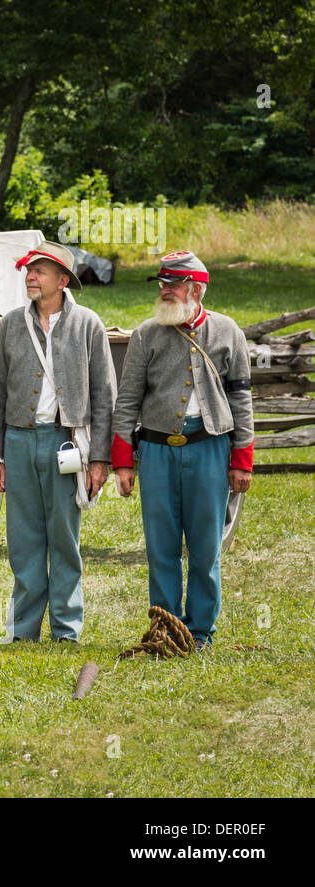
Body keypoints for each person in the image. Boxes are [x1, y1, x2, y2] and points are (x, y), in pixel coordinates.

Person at [111, 250, 253, 650]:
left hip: (210, 448)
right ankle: (166, 626)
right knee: (161, 546)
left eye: (172, 285)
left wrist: (241, 459)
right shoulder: (145, 334)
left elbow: (241, 400)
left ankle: (201, 632)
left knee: (206, 548)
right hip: (157, 451)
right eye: (163, 285)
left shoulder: (228, 332)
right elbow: (127, 401)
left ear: (196, 288)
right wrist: (123, 462)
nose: (165, 292)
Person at [0, 241, 116, 642]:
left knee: (64, 538)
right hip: (19, 441)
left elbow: (104, 397)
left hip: (66, 441)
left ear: (62, 280)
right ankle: (23, 629)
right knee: (23, 541)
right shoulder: (9, 324)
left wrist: (100, 459)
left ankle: (66, 629)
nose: (31, 277)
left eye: (40, 271)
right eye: (29, 270)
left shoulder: (88, 324)